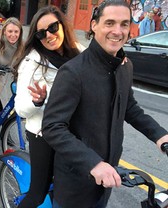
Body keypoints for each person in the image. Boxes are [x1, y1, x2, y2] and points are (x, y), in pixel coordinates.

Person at [42, 1, 168, 207]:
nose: (117, 31)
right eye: (109, 23)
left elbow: (129, 107)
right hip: (77, 181)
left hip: (108, 175)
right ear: (94, 25)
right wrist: (93, 163)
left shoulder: (125, 66)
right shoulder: (73, 72)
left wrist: (160, 135)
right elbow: (52, 127)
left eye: (124, 24)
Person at [14, 5, 84, 207]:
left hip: (73, 132)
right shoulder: (31, 62)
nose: (49, 36)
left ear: (62, 25)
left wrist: (117, 59)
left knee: (67, 188)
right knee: (38, 192)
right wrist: (38, 100)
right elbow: (20, 108)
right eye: (42, 33)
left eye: (53, 27)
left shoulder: (80, 53)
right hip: (43, 133)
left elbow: (102, 62)